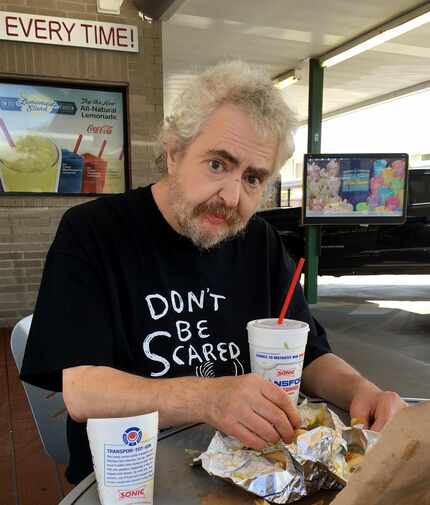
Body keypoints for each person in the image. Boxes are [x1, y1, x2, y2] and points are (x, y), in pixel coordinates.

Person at [20, 61, 406, 484]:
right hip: (133, 479)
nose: (231, 196)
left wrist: (362, 391)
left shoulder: (260, 242)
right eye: (218, 164)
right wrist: (209, 398)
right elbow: (83, 391)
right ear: (173, 152)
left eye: (254, 178)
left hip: (258, 472)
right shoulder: (93, 232)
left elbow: (309, 354)